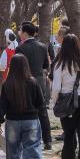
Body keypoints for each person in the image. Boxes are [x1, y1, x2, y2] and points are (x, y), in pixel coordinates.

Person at [0, 54, 45, 159]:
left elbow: (2, 105)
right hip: (31, 121)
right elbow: (41, 104)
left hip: (12, 122)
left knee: (13, 149)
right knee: (32, 147)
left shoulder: (7, 84)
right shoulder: (33, 82)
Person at [15, 22, 52, 151]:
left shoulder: (20, 49)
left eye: (20, 31)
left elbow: (17, 68)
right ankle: (48, 140)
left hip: (25, 82)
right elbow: (46, 65)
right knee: (42, 111)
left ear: (25, 33)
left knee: (25, 111)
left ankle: (29, 139)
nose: (19, 33)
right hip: (40, 81)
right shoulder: (43, 46)